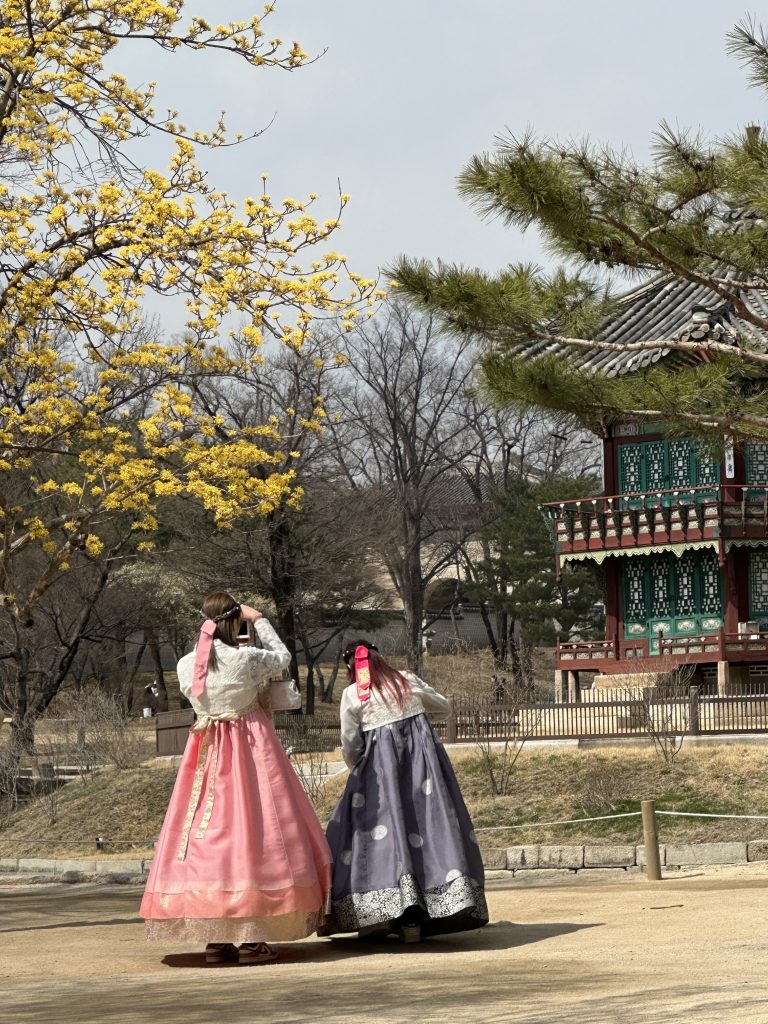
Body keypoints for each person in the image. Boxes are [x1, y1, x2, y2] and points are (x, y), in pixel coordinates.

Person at [140, 593, 332, 965]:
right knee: (254, 832)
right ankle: (249, 939)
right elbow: (284, 658)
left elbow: (201, 691)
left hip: (206, 751)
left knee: (206, 834)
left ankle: (217, 940)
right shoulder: (245, 658)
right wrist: (259, 620)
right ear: (233, 623)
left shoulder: (185, 666)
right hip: (249, 748)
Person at [323, 641, 488, 942]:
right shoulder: (407, 680)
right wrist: (419, 713)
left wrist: (355, 768)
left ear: (351, 667)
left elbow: (350, 741)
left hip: (378, 776)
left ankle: (376, 916)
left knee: (374, 837)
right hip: (424, 775)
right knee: (428, 832)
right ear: (380, 658)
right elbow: (444, 707)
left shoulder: (353, 694)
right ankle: (418, 919)